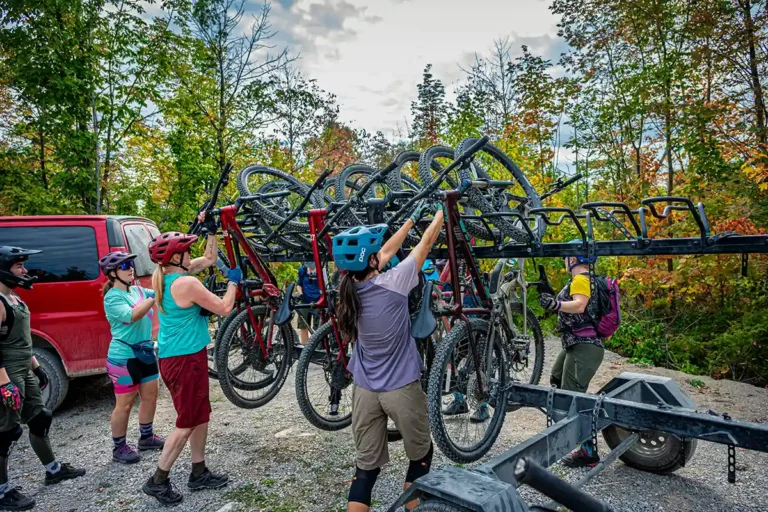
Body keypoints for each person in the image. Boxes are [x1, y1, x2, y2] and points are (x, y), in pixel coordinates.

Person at [333, 200, 443, 512]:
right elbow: (427, 243)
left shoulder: (348, 289)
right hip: (401, 389)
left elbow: (381, 255)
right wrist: (438, 213)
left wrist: (408, 221)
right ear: (371, 261)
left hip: (365, 392)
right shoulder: (395, 283)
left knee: (365, 470)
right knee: (420, 455)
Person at [142, 225, 240, 506]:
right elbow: (223, 308)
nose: (189, 255)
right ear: (176, 258)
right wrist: (233, 282)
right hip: (184, 360)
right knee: (186, 422)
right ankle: (158, 480)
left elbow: (208, 260)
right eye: (185, 252)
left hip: (182, 357)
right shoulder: (186, 284)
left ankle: (199, 471)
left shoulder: (167, 277)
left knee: (200, 415)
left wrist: (212, 232)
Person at [0, 246, 85, 511]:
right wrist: (4, 383)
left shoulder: (13, 297)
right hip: (7, 373)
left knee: (40, 418)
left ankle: (53, 469)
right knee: (6, 432)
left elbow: (21, 340)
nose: (25, 271)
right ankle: (2, 492)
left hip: (24, 367)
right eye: (19, 267)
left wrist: (37, 367)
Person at [538, 241, 605, 468]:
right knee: (557, 378)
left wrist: (556, 305)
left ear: (574, 259)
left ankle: (588, 452)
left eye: (567, 256)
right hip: (575, 344)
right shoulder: (583, 280)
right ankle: (564, 432)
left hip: (585, 346)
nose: (564, 259)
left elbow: (578, 306)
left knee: (574, 397)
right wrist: (551, 301)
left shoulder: (581, 279)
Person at [100, 252, 165, 464]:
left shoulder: (137, 290)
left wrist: (164, 267)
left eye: (131, 264)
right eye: (125, 266)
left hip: (145, 352)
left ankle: (146, 437)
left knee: (150, 396)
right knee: (125, 404)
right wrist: (151, 297)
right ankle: (119, 447)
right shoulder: (112, 298)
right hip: (124, 358)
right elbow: (132, 315)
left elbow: (159, 289)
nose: (131, 269)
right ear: (112, 273)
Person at [296, 261, 321, 346]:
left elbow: (324, 285)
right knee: (303, 326)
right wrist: (300, 294)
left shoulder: (321, 269)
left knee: (318, 327)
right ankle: (304, 347)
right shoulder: (302, 270)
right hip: (305, 301)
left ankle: (317, 347)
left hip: (318, 302)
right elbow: (298, 284)